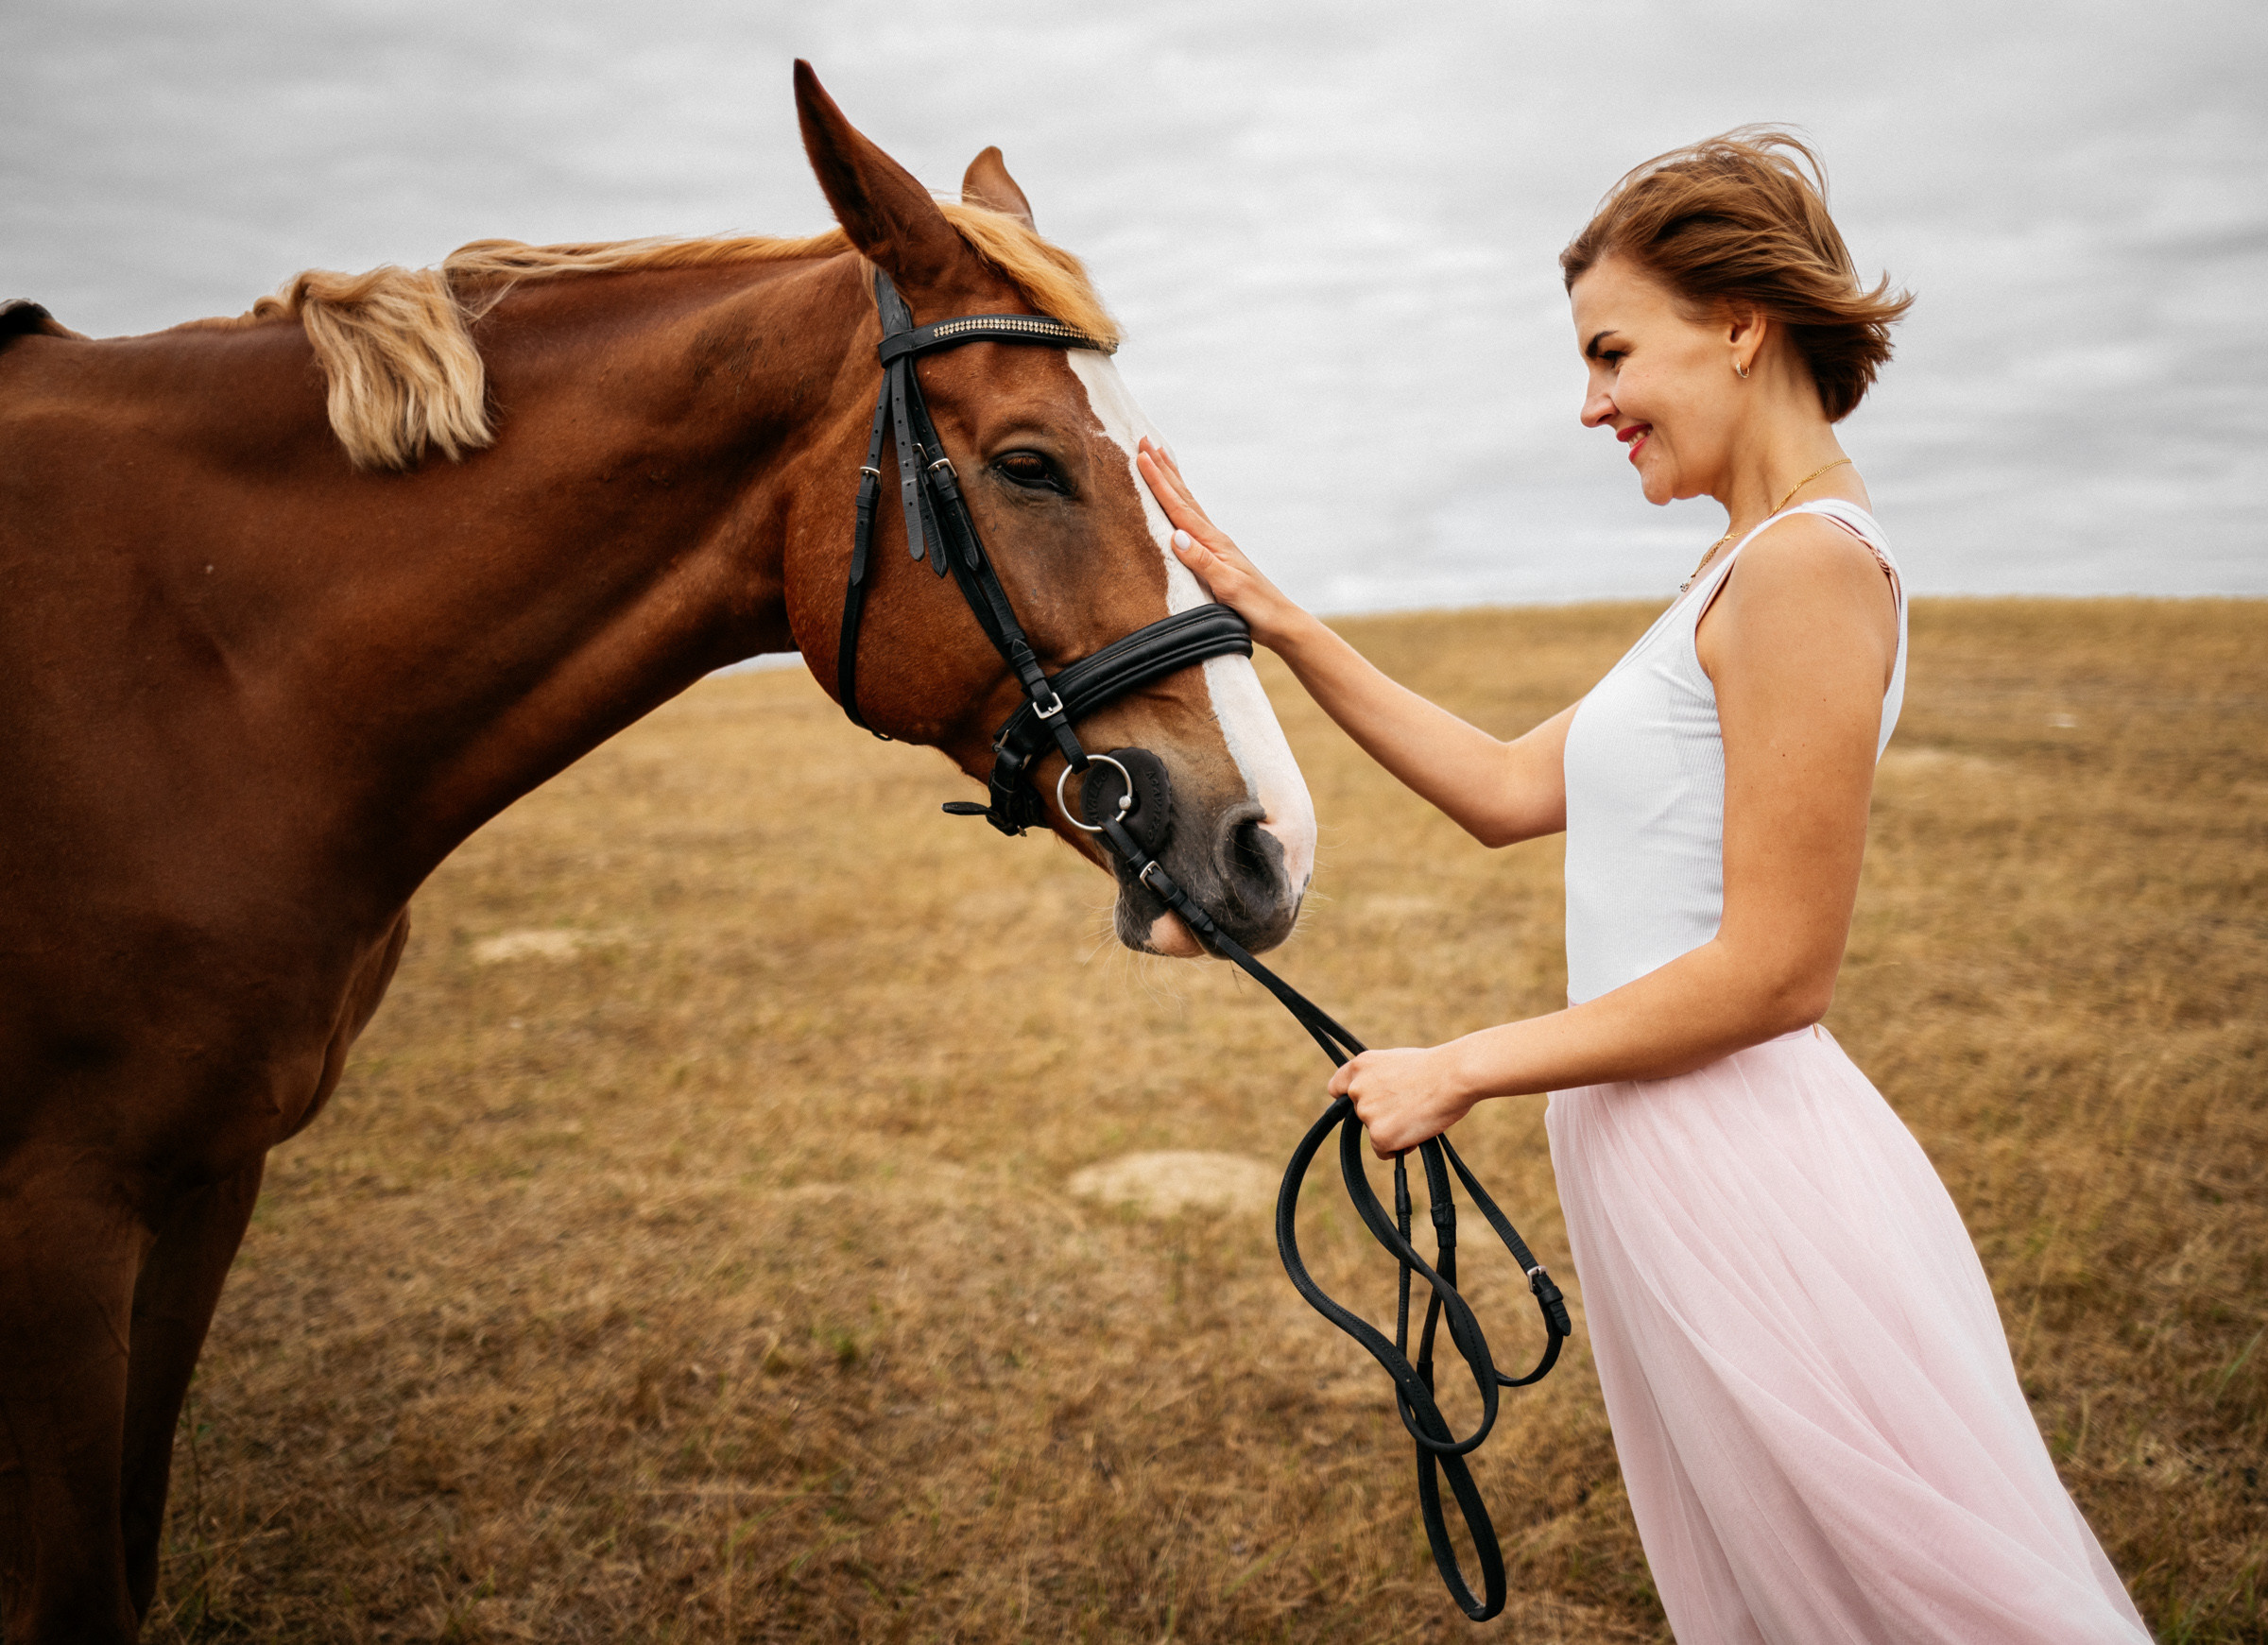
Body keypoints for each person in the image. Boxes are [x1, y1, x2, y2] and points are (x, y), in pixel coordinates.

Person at [1136, 130, 2151, 1645]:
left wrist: (1462, 1066)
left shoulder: (1807, 566)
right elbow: (1498, 788)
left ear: (1740, 324)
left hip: (1750, 1177)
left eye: (1613, 351)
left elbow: (1776, 971)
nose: (1592, 401)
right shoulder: (1739, 567)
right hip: (1671, 1170)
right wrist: (1276, 619)